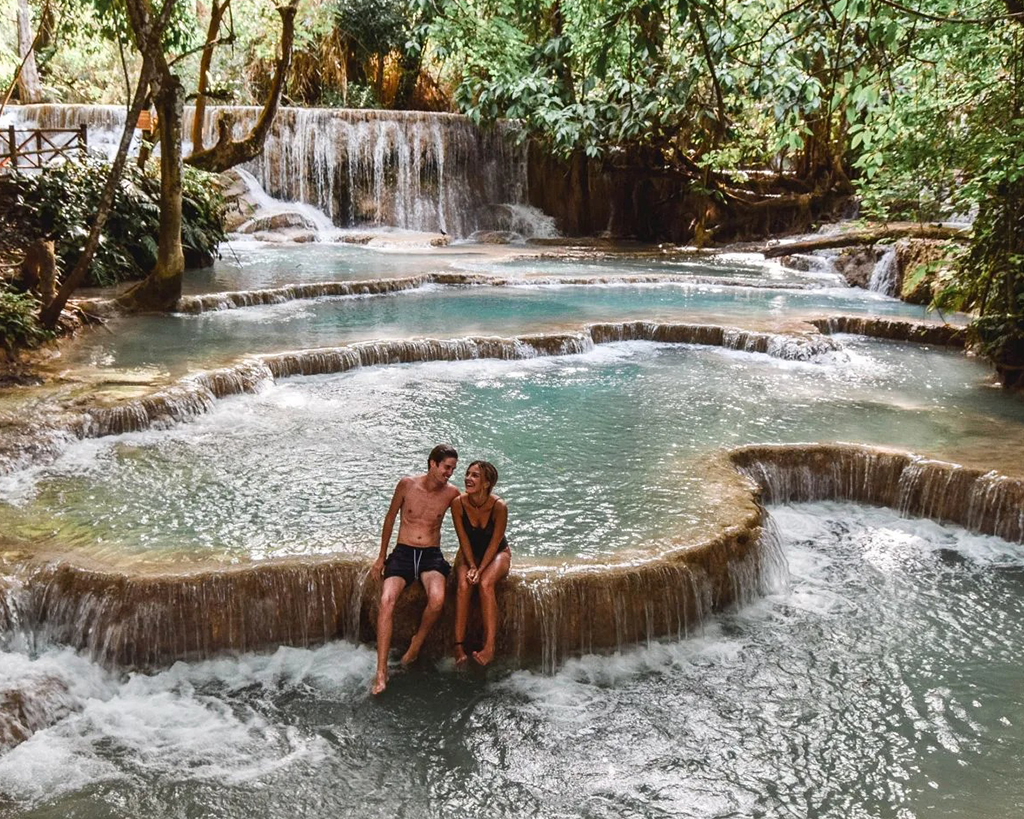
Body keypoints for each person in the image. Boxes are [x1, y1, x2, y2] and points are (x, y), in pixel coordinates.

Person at [372, 444, 460, 695]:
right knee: (387, 600)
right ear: (433, 463)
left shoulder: (452, 494)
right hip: (403, 552)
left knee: (437, 600)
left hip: (431, 555)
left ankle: (416, 643)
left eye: (453, 469)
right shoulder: (407, 485)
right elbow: (390, 518)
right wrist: (381, 558)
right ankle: (381, 671)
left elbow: (469, 521)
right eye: (446, 467)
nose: (450, 473)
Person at [451, 460, 511, 667]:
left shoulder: (499, 506)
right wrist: (472, 566)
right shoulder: (458, 503)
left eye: (475, 475)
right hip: (469, 554)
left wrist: (481, 569)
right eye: (468, 474)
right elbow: (463, 540)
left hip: (497, 553)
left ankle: (489, 647)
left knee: (485, 584)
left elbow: (495, 543)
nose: (468, 478)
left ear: (487, 484)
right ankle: (458, 646)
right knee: (462, 585)